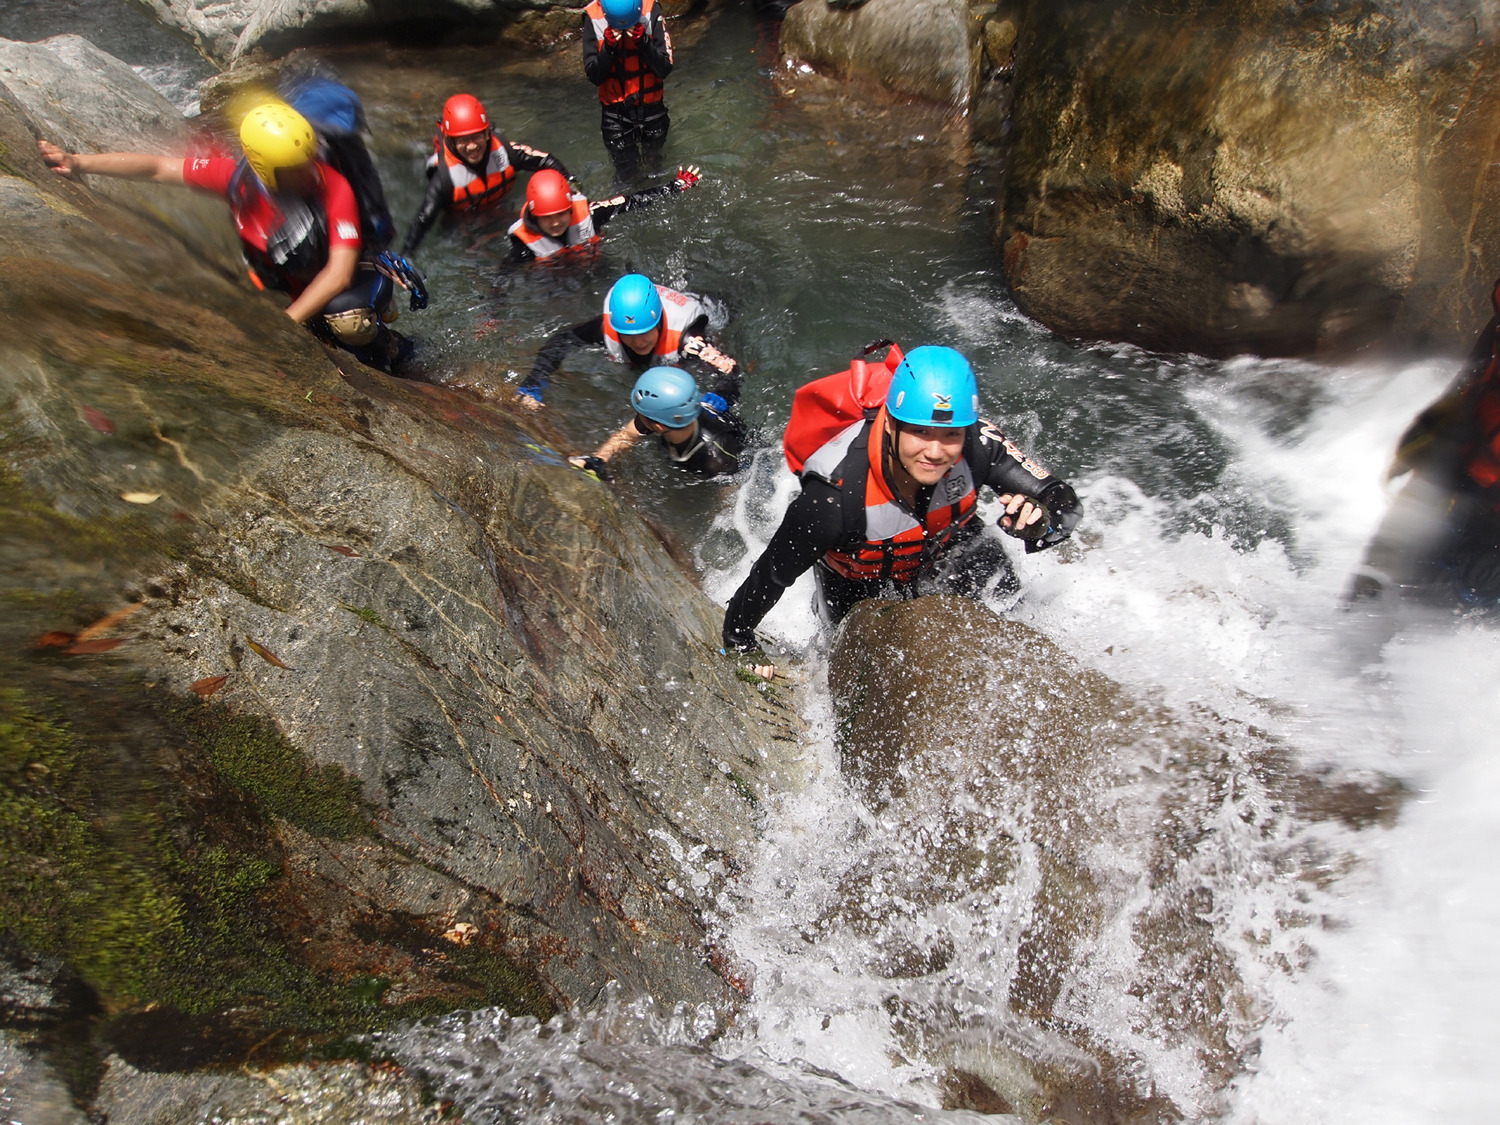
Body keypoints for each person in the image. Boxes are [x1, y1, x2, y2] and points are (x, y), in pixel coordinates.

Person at [721, 345, 1082, 672]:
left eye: (951, 435)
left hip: (949, 548)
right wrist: (740, 644)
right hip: (857, 575)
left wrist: (1040, 523)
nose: (936, 452)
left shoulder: (979, 445)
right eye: (921, 432)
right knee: (849, 660)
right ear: (891, 424)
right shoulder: (832, 497)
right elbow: (769, 576)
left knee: (1012, 613)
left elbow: (1063, 500)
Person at [38, 101, 414, 373]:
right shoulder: (237, 179)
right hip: (291, 283)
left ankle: (389, 349)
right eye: (295, 168)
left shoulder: (336, 188)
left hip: (351, 282)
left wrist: (283, 324)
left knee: (348, 320)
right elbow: (157, 168)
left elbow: (339, 274)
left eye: (309, 158)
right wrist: (78, 162)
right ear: (265, 168)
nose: (308, 171)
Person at [517, 272, 738, 407]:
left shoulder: (688, 339)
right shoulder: (609, 328)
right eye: (629, 335)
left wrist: (721, 395)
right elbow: (562, 340)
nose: (638, 342)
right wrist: (536, 379)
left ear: (659, 323)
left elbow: (730, 370)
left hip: (713, 306)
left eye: (645, 333)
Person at [401, 93, 571, 255]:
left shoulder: (505, 152)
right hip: (465, 224)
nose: (472, 146)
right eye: (463, 140)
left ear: (487, 133)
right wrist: (407, 254)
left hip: (502, 209)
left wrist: (571, 184)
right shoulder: (444, 178)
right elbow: (424, 218)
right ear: (452, 142)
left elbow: (545, 161)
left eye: (477, 137)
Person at [569, 364, 746, 478]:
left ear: (658, 426)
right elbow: (627, 435)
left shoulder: (715, 459)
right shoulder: (668, 417)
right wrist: (599, 459)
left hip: (739, 453)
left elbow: (730, 496)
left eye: (642, 414)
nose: (638, 417)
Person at [507, 165, 701, 263]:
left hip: (594, 266)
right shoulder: (525, 246)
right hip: (552, 283)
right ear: (535, 216)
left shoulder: (591, 214)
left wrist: (675, 186)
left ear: (570, 209)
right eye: (547, 218)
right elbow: (504, 275)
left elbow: (632, 201)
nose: (556, 223)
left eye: (561, 214)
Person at [582, 0, 674, 182]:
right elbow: (594, 76)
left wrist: (644, 42)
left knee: (655, 166)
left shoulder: (651, 9)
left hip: (652, 108)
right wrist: (608, 48)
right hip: (615, 115)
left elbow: (664, 69)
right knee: (627, 174)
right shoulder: (592, 15)